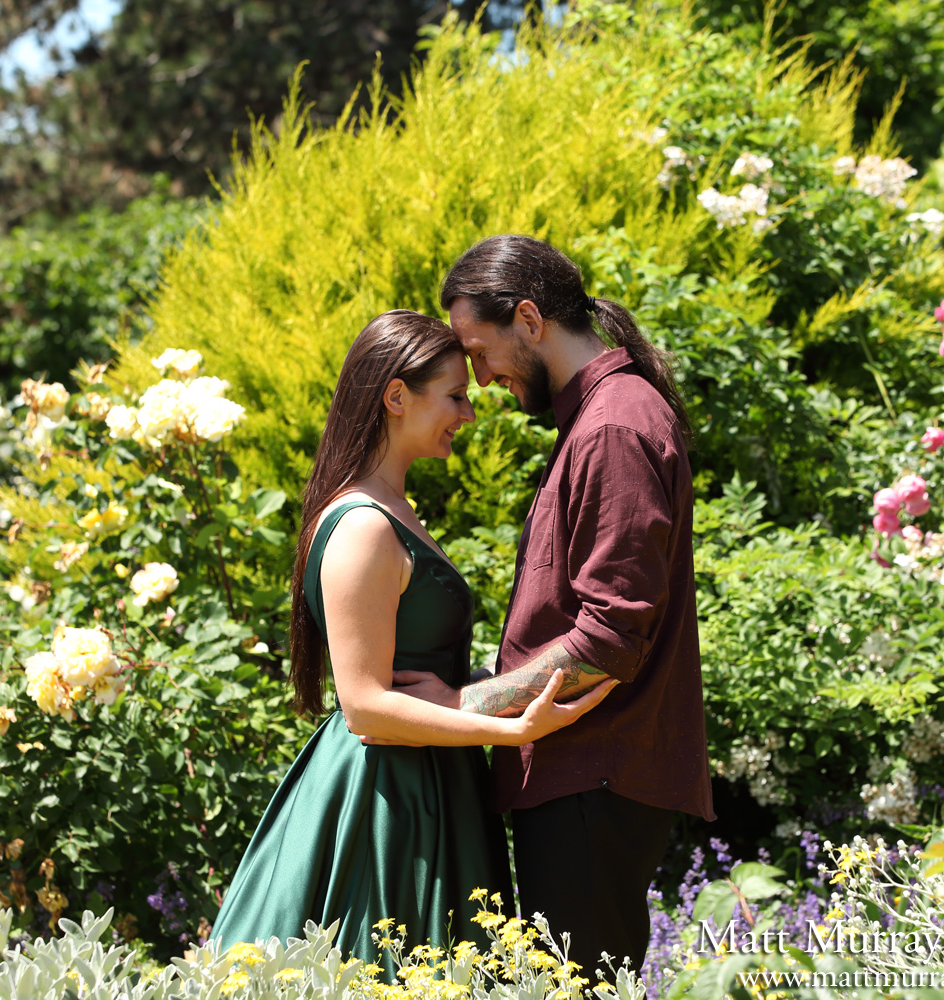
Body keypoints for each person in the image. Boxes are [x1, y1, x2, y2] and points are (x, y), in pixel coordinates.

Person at [209, 309, 616, 967]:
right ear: (396, 396)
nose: (469, 413)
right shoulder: (365, 526)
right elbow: (364, 706)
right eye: (454, 396)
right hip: (387, 800)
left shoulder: (390, 510)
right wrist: (508, 732)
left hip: (428, 782)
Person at [379, 235, 715, 974]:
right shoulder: (597, 419)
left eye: (478, 350)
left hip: (593, 780)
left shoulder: (615, 427)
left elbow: (608, 639)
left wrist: (468, 705)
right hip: (581, 780)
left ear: (528, 320)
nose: (479, 377)